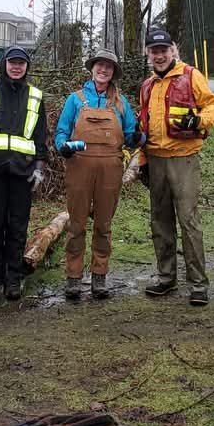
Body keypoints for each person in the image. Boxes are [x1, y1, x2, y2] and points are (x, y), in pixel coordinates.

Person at [138, 29, 214, 306]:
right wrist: (142, 162)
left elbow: (213, 105)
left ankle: (198, 284)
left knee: (188, 221)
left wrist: (197, 122)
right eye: (154, 50)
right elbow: (143, 125)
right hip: (156, 160)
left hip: (184, 158)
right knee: (160, 222)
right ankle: (166, 278)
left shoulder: (190, 75)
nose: (159, 55)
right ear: (148, 54)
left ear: (173, 50)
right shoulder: (147, 85)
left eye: (164, 49)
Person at [55, 48, 141, 300]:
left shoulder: (121, 102)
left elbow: (129, 135)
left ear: (113, 73)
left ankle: (99, 276)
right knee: (77, 223)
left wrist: (137, 137)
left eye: (108, 67)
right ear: (92, 69)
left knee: (103, 224)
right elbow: (61, 131)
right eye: (99, 65)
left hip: (110, 169)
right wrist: (63, 147)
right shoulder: (76, 99)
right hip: (79, 166)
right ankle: (73, 277)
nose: (103, 70)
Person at [0, 46, 47, 302]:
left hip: (22, 172)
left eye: (21, 63)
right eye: (12, 62)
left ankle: (13, 279)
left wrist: (39, 166)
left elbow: (40, 135)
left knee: (17, 226)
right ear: (4, 64)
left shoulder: (35, 96)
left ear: (27, 67)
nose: (16, 67)